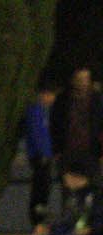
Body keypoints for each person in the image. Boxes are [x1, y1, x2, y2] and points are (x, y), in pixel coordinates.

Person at [50, 67, 103, 220]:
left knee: (95, 188)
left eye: (86, 79)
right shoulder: (62, 100)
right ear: (73, 80)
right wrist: (57, 151)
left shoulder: (97, 100)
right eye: (79, 79)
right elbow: (55, 127)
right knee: (68, 192)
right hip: (68, 152)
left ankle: (93, 224)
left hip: (91, 152)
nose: (82, 83)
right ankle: (70, 222)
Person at [21, 81, 59, 235]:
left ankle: (40, 220)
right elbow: (37, 136)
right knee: (40, 189)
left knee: (44, 188)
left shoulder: (42, 111)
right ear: (44, 94)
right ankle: (37, 221)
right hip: (40, 157)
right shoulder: (35, 111)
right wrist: (43, 154)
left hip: (45, 156)